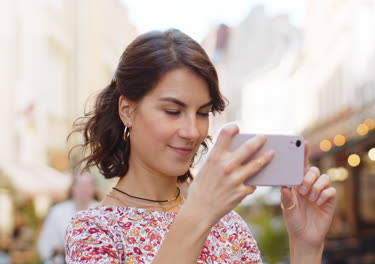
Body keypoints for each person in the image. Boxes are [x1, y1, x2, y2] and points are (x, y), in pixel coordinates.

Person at [65, 29, 337, 264]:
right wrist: (200, 212)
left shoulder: (228, 224)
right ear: (127, 110)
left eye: (203, 113)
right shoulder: (94, 231)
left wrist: (306, 249)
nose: (192, 131)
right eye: (173, 111)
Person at [38, 170, 98, 264]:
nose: (84, 189)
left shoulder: (101, 213)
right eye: (81, 185)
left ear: (94, 188)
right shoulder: (57, 211)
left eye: (88, 185)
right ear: (73, 187)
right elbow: (46, 245)